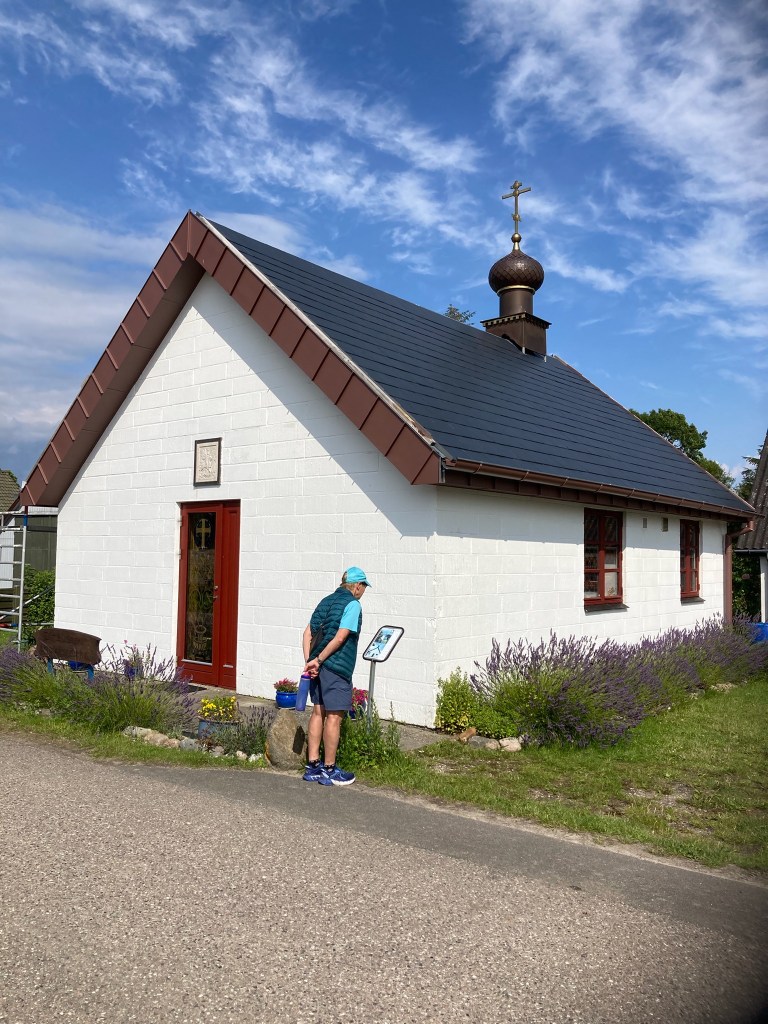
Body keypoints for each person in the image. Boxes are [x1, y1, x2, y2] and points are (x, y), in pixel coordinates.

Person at [301, 566, 371, 786]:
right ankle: (329, 770)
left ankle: (313, 766)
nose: (363, 591)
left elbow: (307, 633)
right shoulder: (353, 604)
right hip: (336, 668)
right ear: (357, 586)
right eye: (364, 586)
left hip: (317, 667)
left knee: (318, 712)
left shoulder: (326, 601)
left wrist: (310, 661)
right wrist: (320, 660)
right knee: (334, 717)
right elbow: (341, 637)